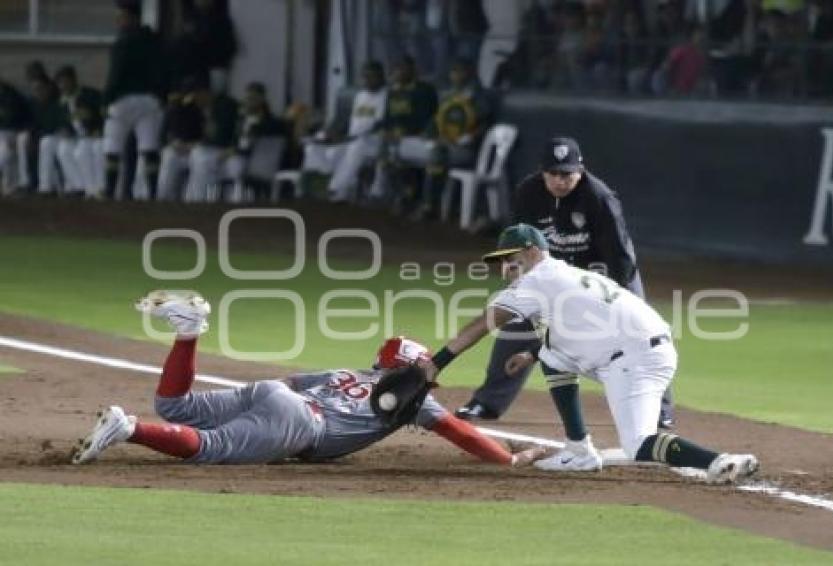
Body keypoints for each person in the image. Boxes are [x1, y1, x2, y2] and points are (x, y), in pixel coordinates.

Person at [423, 224, 759, 483]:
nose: (506, 267)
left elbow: (481, 325)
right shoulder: (566, 274)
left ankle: (718, 461)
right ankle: (578, 450)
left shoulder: (535, 281)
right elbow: (578, 326)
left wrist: (435, 364)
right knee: (552, 355)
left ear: (534, 251)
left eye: (513, 258)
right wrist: (533, 353)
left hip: (634, 360)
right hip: (642, 347)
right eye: (500, 262)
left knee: (639, 445)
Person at [72, 291, 544, 467]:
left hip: (276, 393)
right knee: (214, 448)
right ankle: (127, 428)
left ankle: (190, 332)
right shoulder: (410, 398)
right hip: (301, 425)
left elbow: (291, 382)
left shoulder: (347, 373)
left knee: (177, 408)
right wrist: (506, 458)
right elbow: (460, 431)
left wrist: (260, 409)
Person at [456, 137, 676, 429]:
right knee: (516, 321)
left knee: (638, 330)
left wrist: (621, 297)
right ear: (542, 172)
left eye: (567, 174)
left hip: (604, 270)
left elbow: (620, 254)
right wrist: (518, 278)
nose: (560, 180)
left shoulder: (599, 198)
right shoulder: (528, 192)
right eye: (554, 174)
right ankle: (487, 402)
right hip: (553, 270)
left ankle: (660, 411)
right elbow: (519, 242)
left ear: (580, 170)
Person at [397, 58, 491, 220]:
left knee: (437, 153)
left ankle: (429, 206)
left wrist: (464, 139)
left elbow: (485, 124)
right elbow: (435, 122)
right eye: (453, 71)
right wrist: (427, 135)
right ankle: (408, 196)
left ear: (469, 73)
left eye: (459, 71)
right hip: (444, 144)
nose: (455, 75)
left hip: (465, 150)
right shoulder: (448, 95)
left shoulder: (477, 96)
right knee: (402, 147)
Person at [102, 0, 165, 201]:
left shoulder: (123, 42)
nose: (119, 21)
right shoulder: (155, 40)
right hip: (150, 101)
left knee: (113, 146)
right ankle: (152, 193)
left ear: (131, 18)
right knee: (149, 147)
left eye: (121, 17)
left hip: (124, 100)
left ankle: (110, 191)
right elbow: (166, 70)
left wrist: (106, 99)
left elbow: (115, 75)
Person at [301, 61, 388, 203]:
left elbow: (379, 124)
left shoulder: (386, 96)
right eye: (365, 77)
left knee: (356, 148)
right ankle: (315, 182)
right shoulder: (360, 96)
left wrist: (349, 137)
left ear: (381, 77)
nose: (368, 80)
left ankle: (336, 189)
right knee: (315, 141)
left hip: (372, 140)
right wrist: (330, 132)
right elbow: (347, 120)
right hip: (350, 138)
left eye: (372, 76)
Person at [368, 56, 438, 206]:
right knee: (382, 143)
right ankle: (387, 192)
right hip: (396, 139)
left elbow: (425, 120)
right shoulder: (393, 92)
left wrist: (401, 132)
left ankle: (392, 193)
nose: (398, 73)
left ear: (412, 70)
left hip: (420, 140)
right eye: (395, 69)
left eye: (402, 69)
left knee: (391, 148)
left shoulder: (424, 90)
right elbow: (387, 119)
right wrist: (384, 129)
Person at [54, 66, 105, 197]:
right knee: (63, 149)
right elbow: (61, 122)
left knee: (82, 152)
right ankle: (80, 186)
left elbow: (103, 115)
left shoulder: (90, 95)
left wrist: (99, 130)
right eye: (60, 83)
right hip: (76, 137)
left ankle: (98, 188)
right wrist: (64, 130)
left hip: (95, 136)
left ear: (74, 80)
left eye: (66, 81)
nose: (64, 86)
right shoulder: (62, 102)